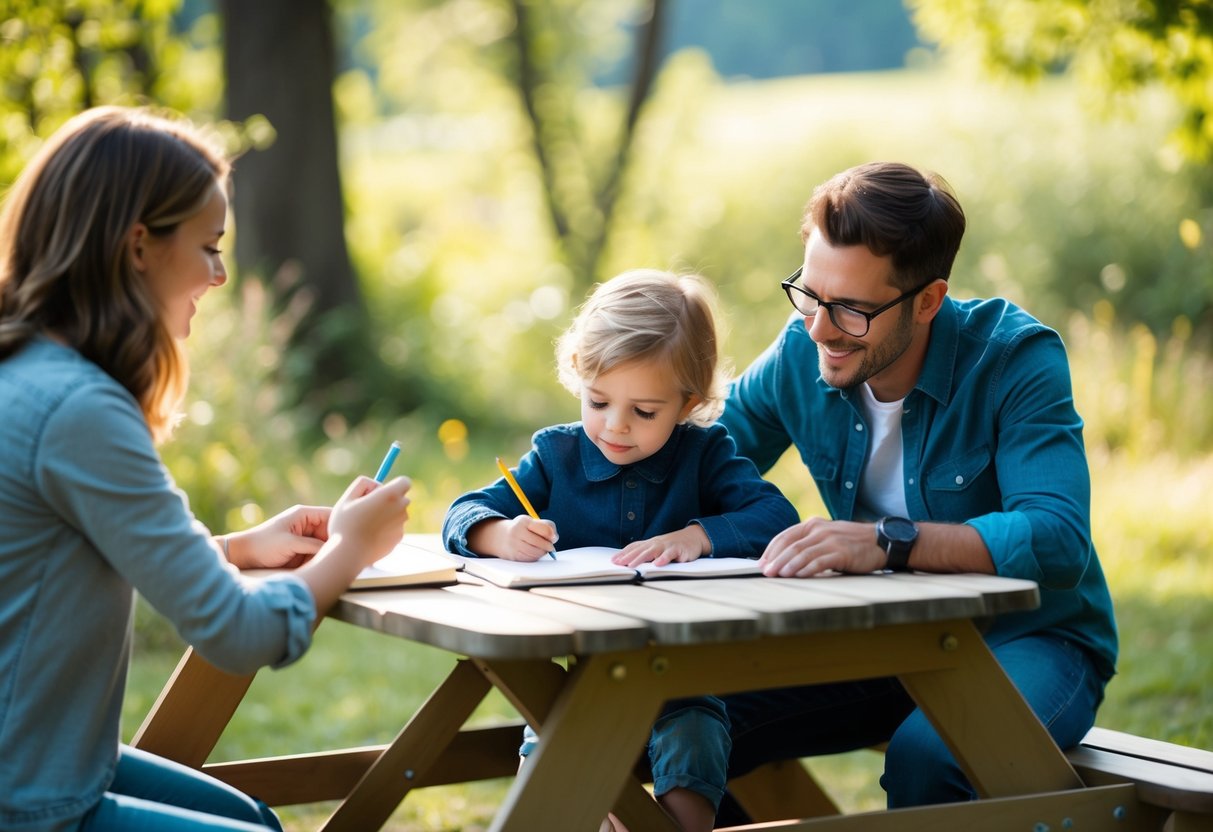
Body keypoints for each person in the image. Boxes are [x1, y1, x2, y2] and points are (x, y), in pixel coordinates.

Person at [0, 106, 412, 832]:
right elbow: (236, 632)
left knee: (255, 816)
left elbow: (56, 561)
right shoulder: (78, 410)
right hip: (27, 792)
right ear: (137, 247)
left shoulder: (28, 373)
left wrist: (234, 549)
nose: (220, 275)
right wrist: (352, 548)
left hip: (40, 753)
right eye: (209, 246)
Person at [716, 161, 1118, 812]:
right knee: (678, 723)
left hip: (1030, 643)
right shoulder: (804, 347)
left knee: (929, 760)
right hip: (886, 640)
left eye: (849, 308)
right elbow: (695, 462)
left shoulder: (1014, 359)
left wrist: (885, 541)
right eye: (809, 294)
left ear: (927, 300)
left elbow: (1056, 541)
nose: (818, 327)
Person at [443, 269, 799, 832]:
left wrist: (698, 536)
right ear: (578, 378)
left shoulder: (704, 454)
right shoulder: (556, 455)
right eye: (599, 400)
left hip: (683, 675)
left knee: (696, 740)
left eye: (644, 411)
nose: (615, 426)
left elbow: (776, 516)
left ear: (688, 403)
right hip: (576, 683)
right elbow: (463, 511)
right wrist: (500, 534)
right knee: (556, 764)